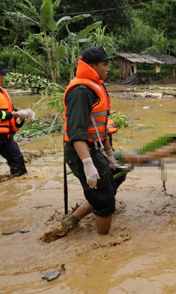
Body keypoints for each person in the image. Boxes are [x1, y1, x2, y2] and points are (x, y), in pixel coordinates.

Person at [60, 47, 124, 235]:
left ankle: (71, 221)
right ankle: (103, 243)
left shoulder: (95, 87)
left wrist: (110, 155)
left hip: (94, 147)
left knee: (116, 175)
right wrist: (88, 164)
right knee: (104, 198)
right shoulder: (81, 91)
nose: (108, 68)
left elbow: (101, 127)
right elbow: (76, 133)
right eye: (104, 64)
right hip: (80, 151)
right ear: (92, 66)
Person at [0, 63, 35, 177]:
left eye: (3, 75)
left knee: (18, 160)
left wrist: (21, 115)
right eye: (0, 75)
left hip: (5, 137)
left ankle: (18, 188)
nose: (2, 78)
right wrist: (13, 114)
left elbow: (10, 110)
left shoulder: (2, 92)